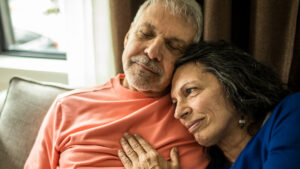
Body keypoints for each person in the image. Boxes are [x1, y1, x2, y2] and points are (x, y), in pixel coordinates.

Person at [24, 0, 209, 169]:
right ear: (128, 36)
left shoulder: (194, 119)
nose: (152, 52)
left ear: (186, 59)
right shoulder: (65, 107)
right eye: (145, 34)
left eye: (173, 46)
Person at [118, 41, 300, 169]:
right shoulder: (211, 164)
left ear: (234, 82)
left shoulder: (291, 114)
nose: (179, 113)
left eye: (190, 91)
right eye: (174, 103)